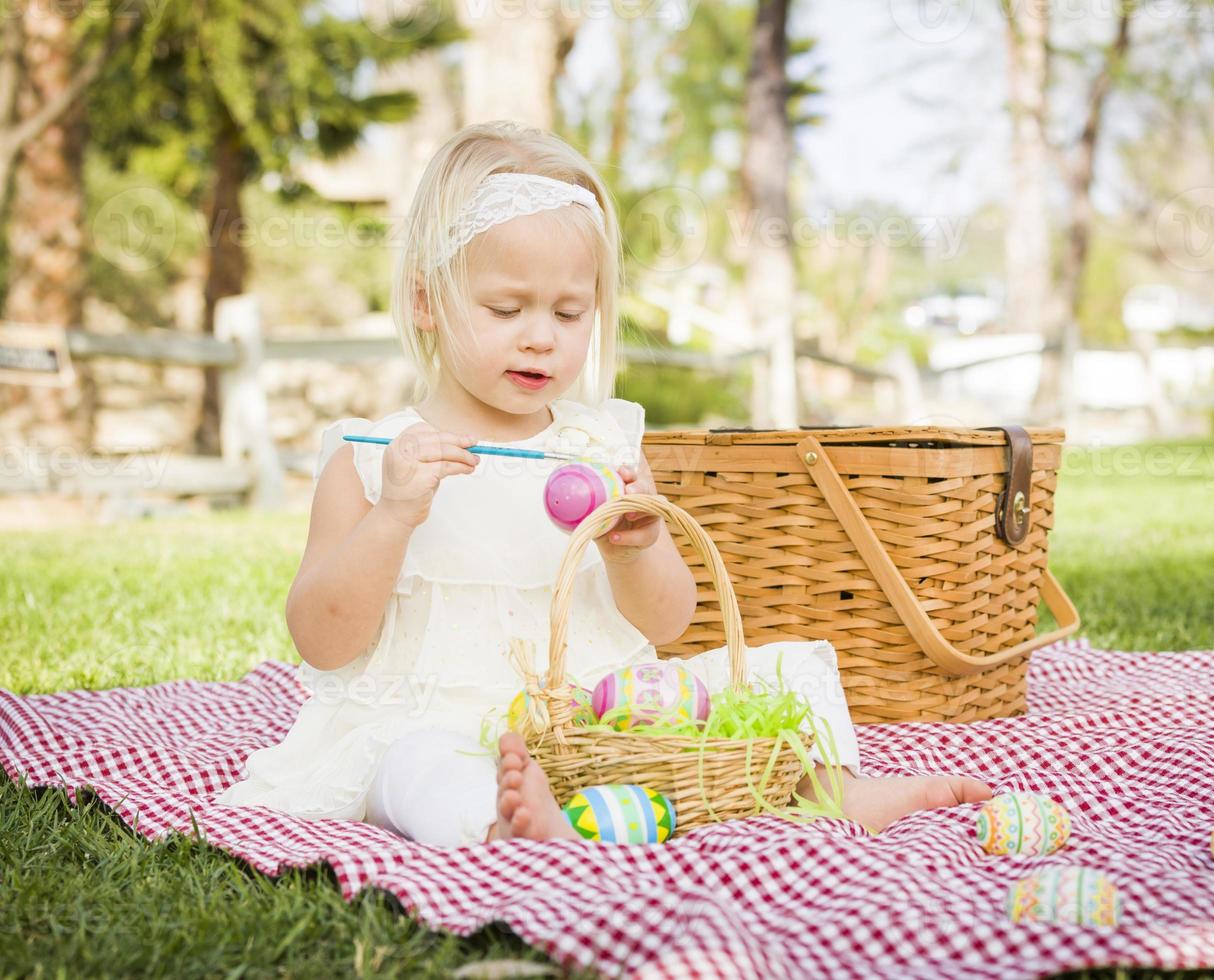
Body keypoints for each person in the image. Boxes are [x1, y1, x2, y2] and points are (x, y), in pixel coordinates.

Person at [213, 121, 991, 846]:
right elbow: (322, 640)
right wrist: (393, 516)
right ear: (425, 300)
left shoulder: (600, 445)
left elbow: (669, 620)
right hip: (441, 716)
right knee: (415, 765)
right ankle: (503, 819)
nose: (541, 335)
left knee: (788, 668)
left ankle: (830, 787)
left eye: (569, 311)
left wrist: (633, 549)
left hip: (601, 716)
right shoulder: (372, 453)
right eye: (506, 306)